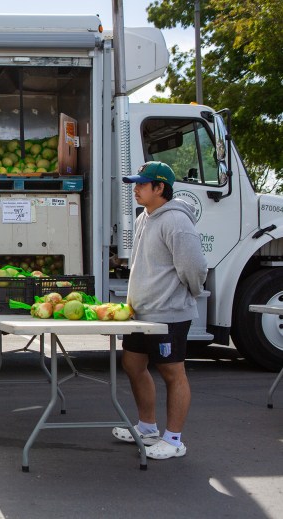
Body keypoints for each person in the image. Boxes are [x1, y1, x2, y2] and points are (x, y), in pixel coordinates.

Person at [112, 161, 208, 460]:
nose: (136, 189)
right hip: (141, 313)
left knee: (172, 372)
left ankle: (174, 439)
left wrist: (187, 294)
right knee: (133, 364)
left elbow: (194, 267)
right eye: (135, 183)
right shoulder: (145, 217)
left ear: (160, 188)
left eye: (142, 184)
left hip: (169, 314)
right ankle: (147, 428)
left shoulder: (177, 221)